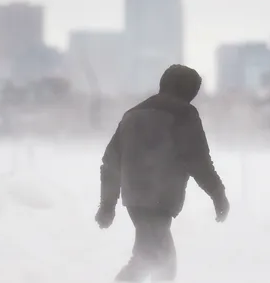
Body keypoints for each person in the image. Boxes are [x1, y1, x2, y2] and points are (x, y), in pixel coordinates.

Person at [95, 64, 230, 282]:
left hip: (135, 199)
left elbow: (110, 162)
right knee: (152, 260)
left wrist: (107, 205)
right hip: (160, 199)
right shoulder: (184, 113)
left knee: (157, 260)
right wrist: (218, 194)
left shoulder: (132, 114)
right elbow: (198, 160)